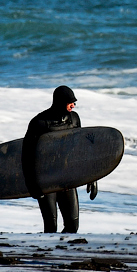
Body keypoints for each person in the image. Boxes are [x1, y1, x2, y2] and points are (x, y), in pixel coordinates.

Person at [22, 85, 98, 233]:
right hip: (46, 180)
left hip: (67, 179)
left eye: (74, 102)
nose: (73, 105)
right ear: (60, 102)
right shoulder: (39, 122)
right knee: (51, 227)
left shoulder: (74, 119)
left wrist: (92, 177)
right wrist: (31, 184)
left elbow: (81, 150)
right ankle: (47, 255)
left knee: (72, 226)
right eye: (70, 102)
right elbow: (27, 155)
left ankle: (62, 251)